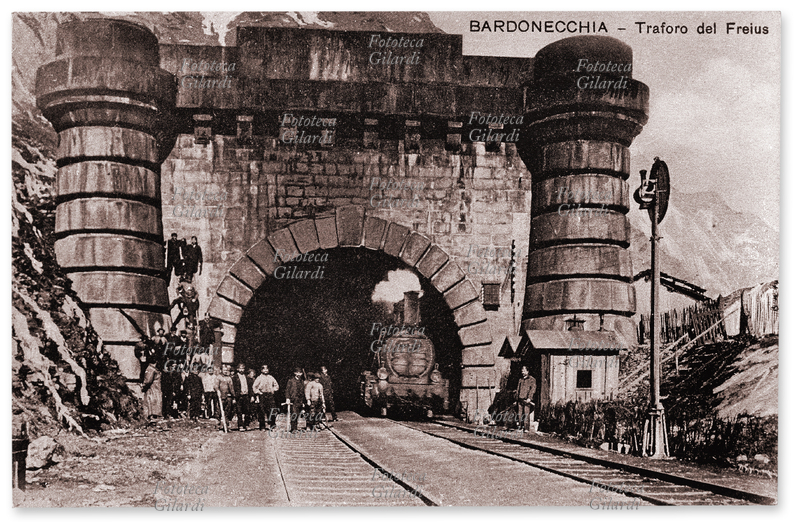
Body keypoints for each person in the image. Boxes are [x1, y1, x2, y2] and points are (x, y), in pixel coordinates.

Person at [253, 365, 279, 431]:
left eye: (267, 369)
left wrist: (273, 390)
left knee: (272, 410)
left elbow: (276, 386)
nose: (265, 370)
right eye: (264, 369)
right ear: (261, 370)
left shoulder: (271, 377)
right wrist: (259, 392)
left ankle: (272, 425)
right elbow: (254, 387)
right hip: (262, 395)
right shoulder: (259, 378)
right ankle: (262, 426)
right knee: (261, 411)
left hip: (270, 395)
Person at [515, 365, 537, 433]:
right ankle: (520, 427)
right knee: (520, 414)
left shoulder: (532, 380)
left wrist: (530, 398)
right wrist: (516, 399)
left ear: (528, 371)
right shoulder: (520, 380)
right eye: (522, 370)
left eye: (524, 370)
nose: (522, 372)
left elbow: (533, 389)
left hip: (527, 400)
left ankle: (526, 428)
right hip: (520, 400)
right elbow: (518, 390)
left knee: (526, 414)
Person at [232, 363, 254, 431]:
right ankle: (240, 425)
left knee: (247, 411)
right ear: (237, 369)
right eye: (240, 368)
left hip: (246, 396)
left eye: (243, 368)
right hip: (239, 396)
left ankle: (246, 425)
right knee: (239, 412)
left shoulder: (247, 377)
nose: (241, 370)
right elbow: (233, 388)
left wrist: (252, 396)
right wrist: (234, 397)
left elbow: (250, 388)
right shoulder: (234, 378)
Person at [142, 355, 162, 420]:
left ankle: (152, 416)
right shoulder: (153, 369)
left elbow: (147, 380)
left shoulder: (150, 369)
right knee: (154, 402)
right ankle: (153, 416)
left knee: (151, 402)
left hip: (153, 389)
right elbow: (149, 380)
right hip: (154, 389)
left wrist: (143, 386)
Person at [285, 368, 305, 432]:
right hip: (293, 400)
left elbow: (303, 391)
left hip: (300, 400)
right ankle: (293, 428)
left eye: (300, 373)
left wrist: (303, 401)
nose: (299, 374)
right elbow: (287, 390)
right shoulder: (291, 381)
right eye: (297, 373)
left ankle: (296, 427)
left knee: (298, 414)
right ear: (295, 373)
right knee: (294, 413)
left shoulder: (302, 381)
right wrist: (287, 398)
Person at [216, 365, 235, 430]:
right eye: (224, 370)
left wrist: (233, 396)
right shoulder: (218, 377)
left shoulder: (229, 378)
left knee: (228, 411)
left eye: (226, 370)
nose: (225, 371)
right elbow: (216, 386)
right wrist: (218, 391)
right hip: (221, 396)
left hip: (228, 396)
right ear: (221, 370)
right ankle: (218, 424)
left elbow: (231, 388)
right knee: (219, 411)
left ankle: (226, 424)